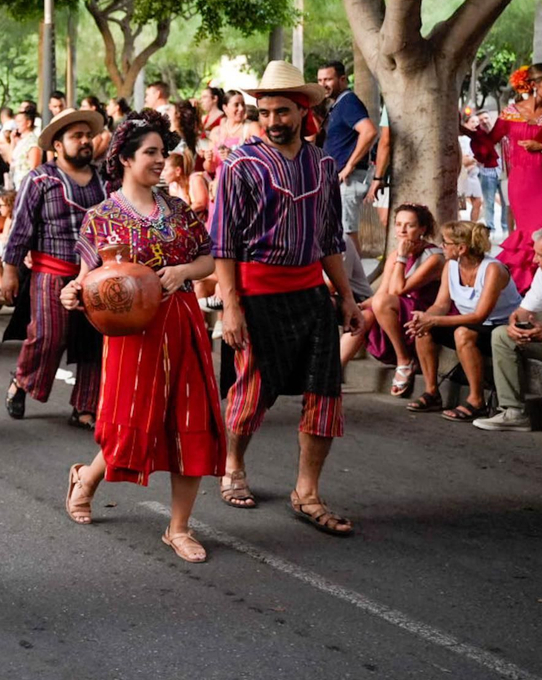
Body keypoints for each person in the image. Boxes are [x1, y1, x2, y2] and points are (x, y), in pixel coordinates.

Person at [60, 111, 224, 561]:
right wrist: (72, 293)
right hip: (132, 332)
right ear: (126, 159)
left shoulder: (178, 210)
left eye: (162, 152)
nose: (160, 160)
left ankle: (179, 527)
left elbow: (209, 260)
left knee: (191, 422)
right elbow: (87, 279)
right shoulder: (100, 217)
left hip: (183, 322)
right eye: (150, 152)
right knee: (130, 424)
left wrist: (182, 271)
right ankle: (86, 479)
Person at [210, 61, 362, 536]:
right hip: (257, 296)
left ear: (303, 111)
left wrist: (347, 297)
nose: (273, 121)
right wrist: (230, 305)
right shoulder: (238, 164)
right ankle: (233, 464)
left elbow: (331, 239)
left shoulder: (325, 165)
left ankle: (307, 492)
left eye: (282, 111)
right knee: (252, 391)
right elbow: (223, 243)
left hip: (312, 296)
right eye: (264, 112)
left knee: (324, 394)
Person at [0, 108, 107, 424]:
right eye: (77, 136)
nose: (85, 141)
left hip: (97, 276)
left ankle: (85, 407)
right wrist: (9, 271)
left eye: (88, 135)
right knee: (48, 336)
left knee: (96, 339)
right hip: (50, 272)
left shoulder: (104, 179)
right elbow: (20, 228)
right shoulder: (39, 178)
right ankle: (22, 381)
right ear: (58, 145)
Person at [478, 64, 542, 292]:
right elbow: (491, 139)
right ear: (534, 85)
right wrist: (469, 132)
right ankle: (519, 289)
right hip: (522, 183)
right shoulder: (511, 112)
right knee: (525, 231)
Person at [403, 221, 521, 419]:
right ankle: (432, 392)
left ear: (461, 248)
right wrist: (425, 318)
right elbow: (441, 305)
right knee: (423, 329)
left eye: (446, 243)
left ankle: (477, 401)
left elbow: (479, 316)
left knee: (463, 333)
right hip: (470, 322)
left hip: (498, 327)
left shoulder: (493, 270)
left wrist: (434, 321)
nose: (442, 246)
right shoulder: (450, 266)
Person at [476, 226, 542, 435]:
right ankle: (513, 413)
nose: (535, 260)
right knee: (502, 335)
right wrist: (517, 323)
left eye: (541, 255)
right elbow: (525, 310)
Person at [339, 205, 444, 396]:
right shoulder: (395, 255)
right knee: (364, 314)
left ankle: (404, 360)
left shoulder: (434, 257)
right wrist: (358, 306)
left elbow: (397, 290)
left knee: (381, 303)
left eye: (409, 225)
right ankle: (334, 372)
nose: (402, 230)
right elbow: (383, 291)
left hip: (422, 311)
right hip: (395, 311)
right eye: (398, 224)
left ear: (422, 229)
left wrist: (402, 257)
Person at [316, 60, 379, 249]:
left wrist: (349, 166)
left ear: (342, 79)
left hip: (348, 179)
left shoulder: (348, 101)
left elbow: (369, 132)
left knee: (347, 233)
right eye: (320, 80)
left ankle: (354, 278)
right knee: (341, 231)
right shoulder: (337, 105)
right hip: (339, 179)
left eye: (328, 79)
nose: (323, 84)